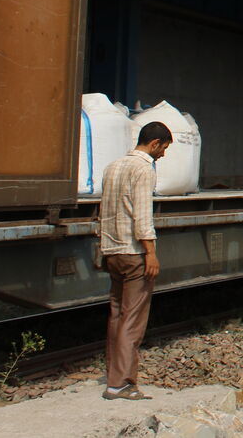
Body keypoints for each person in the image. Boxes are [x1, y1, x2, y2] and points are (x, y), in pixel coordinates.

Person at [99, 121, 172, 401]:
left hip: (112, 251)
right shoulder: (143, 169)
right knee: (133, 320)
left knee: (117, 316)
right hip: (133, 254)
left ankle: (112, 376)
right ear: (154, 144)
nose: (163, 154)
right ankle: (122, 384)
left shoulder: (112, 167)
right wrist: (151, 253)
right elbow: (142, 215)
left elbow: (105, 211)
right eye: (164, 148)